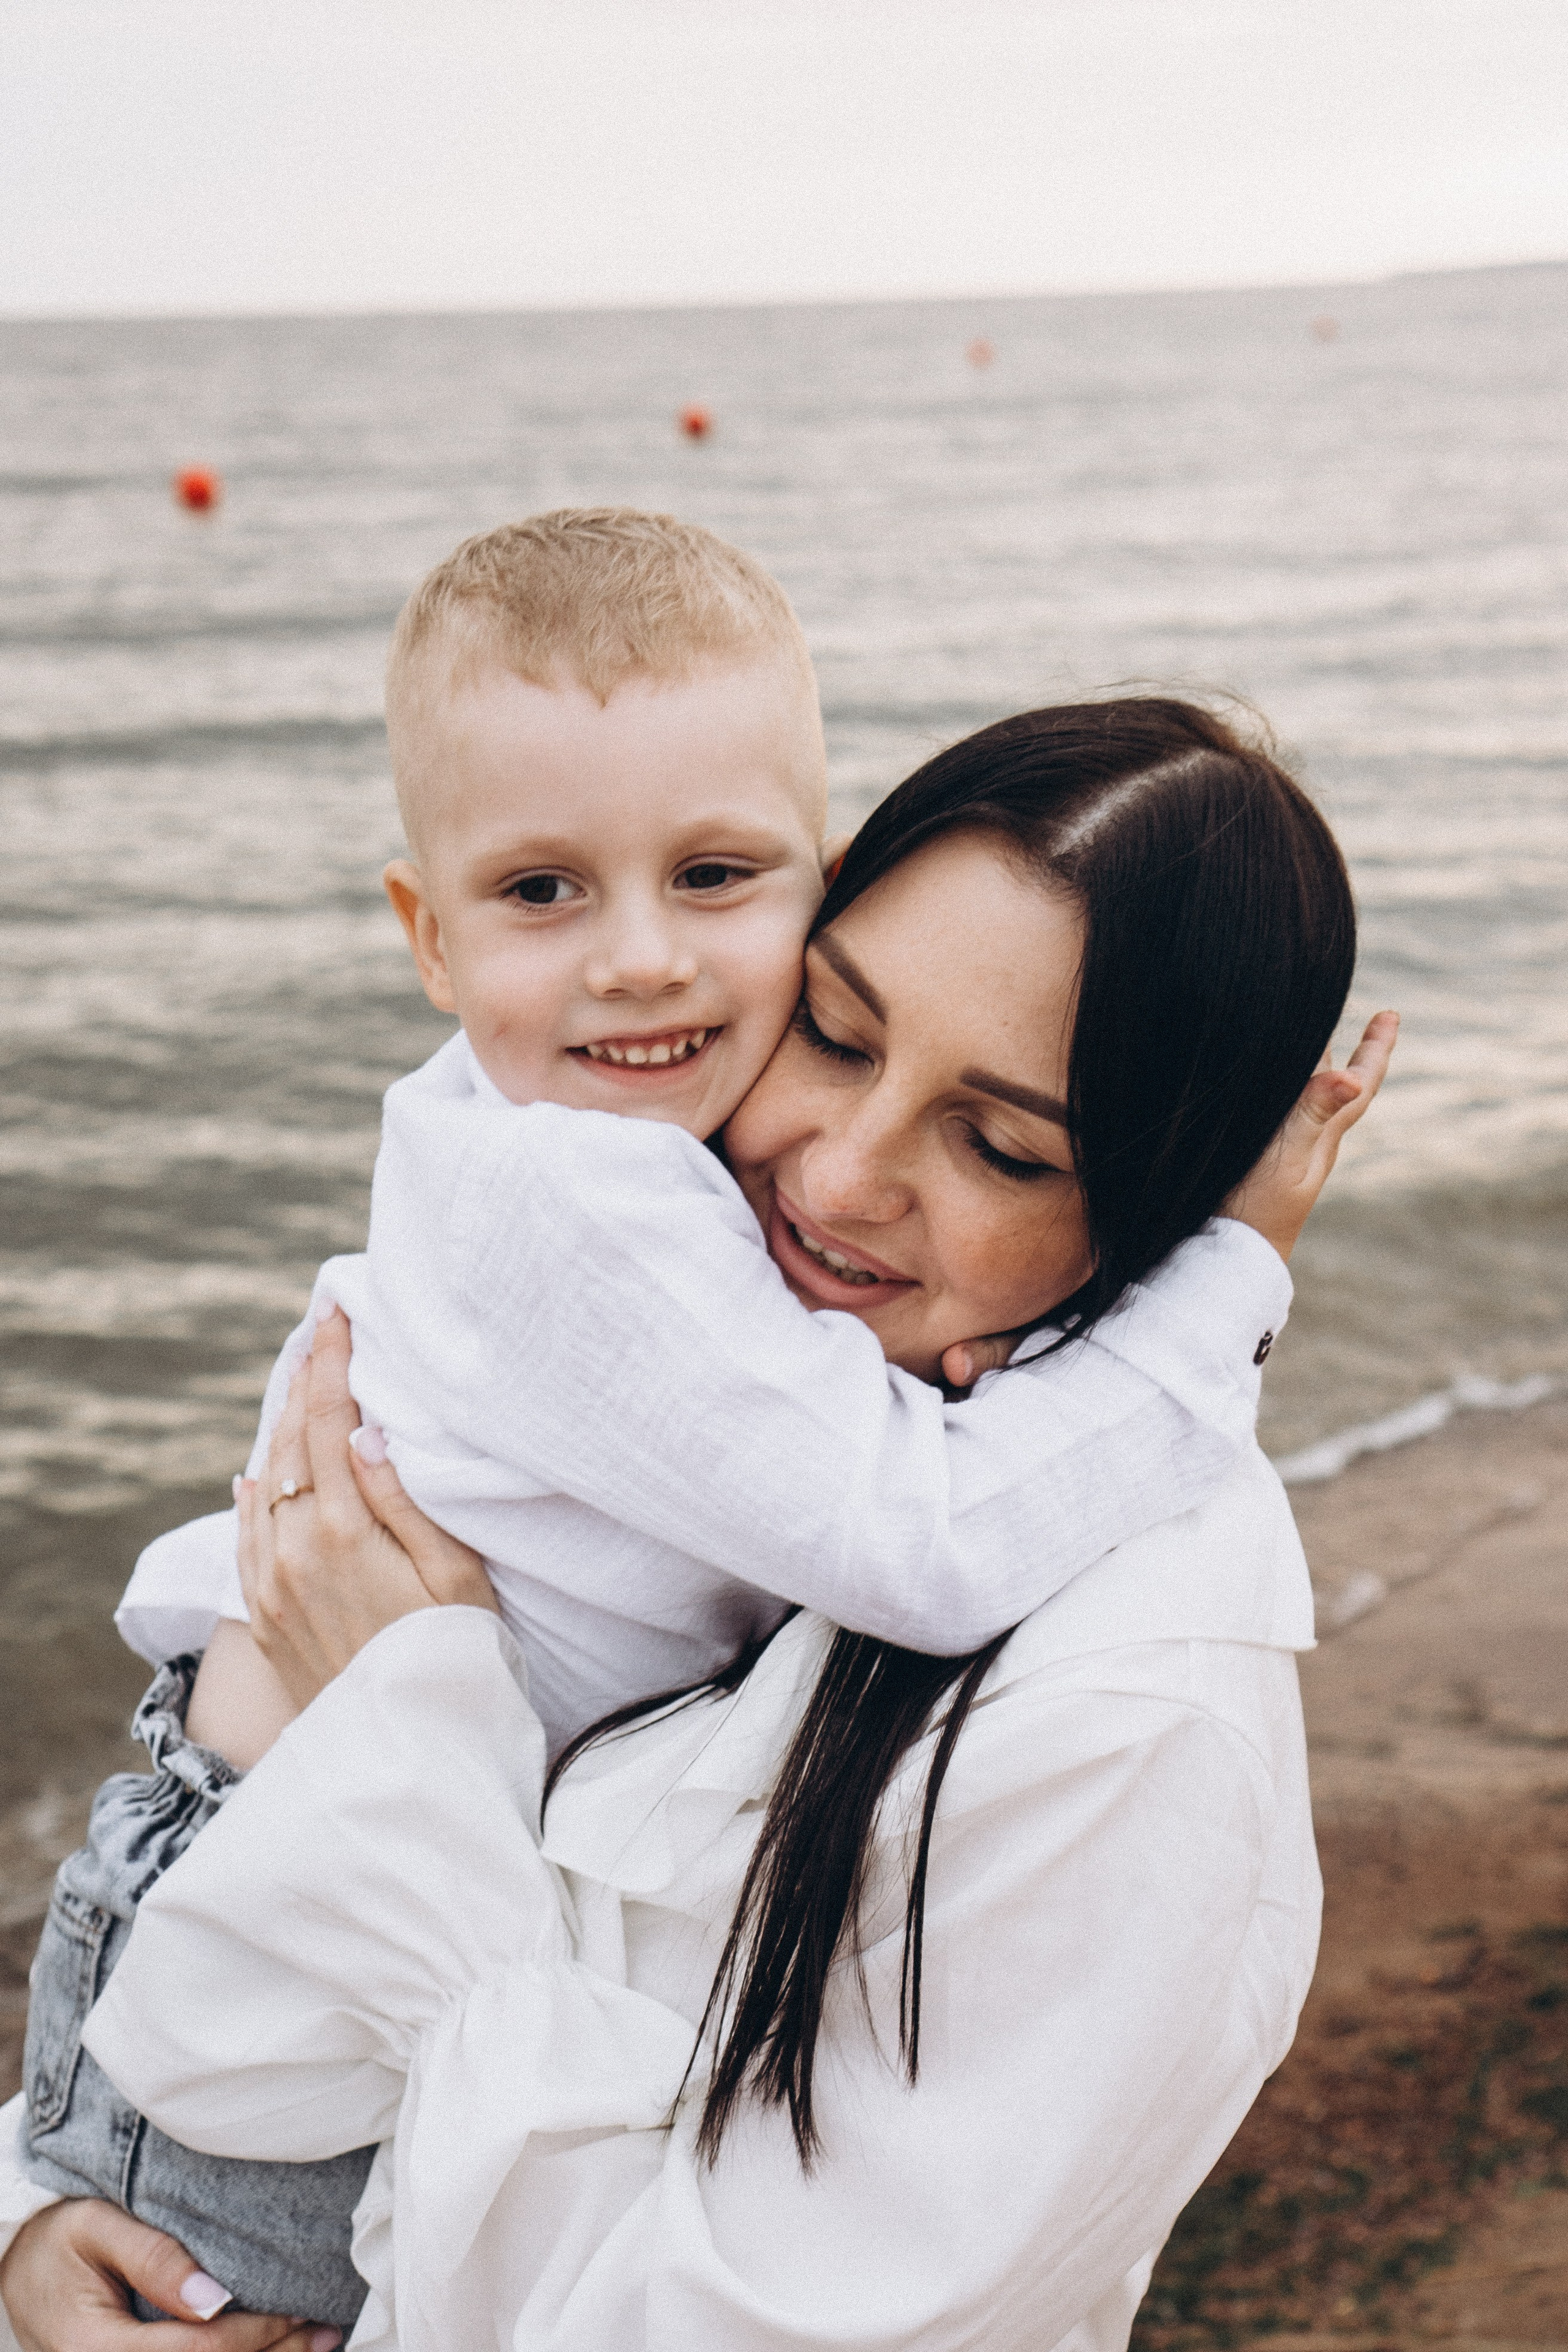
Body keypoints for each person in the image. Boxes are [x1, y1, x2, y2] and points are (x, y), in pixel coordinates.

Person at [18, 516, 1313, 2329]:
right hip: (249, 1926)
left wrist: (421, 1717)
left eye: (1005, 1145)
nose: (841, 1173)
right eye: (844, 1038)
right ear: (429, 932)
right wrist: (44, 2214)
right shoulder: (613, 1208)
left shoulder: (1134, 1716)